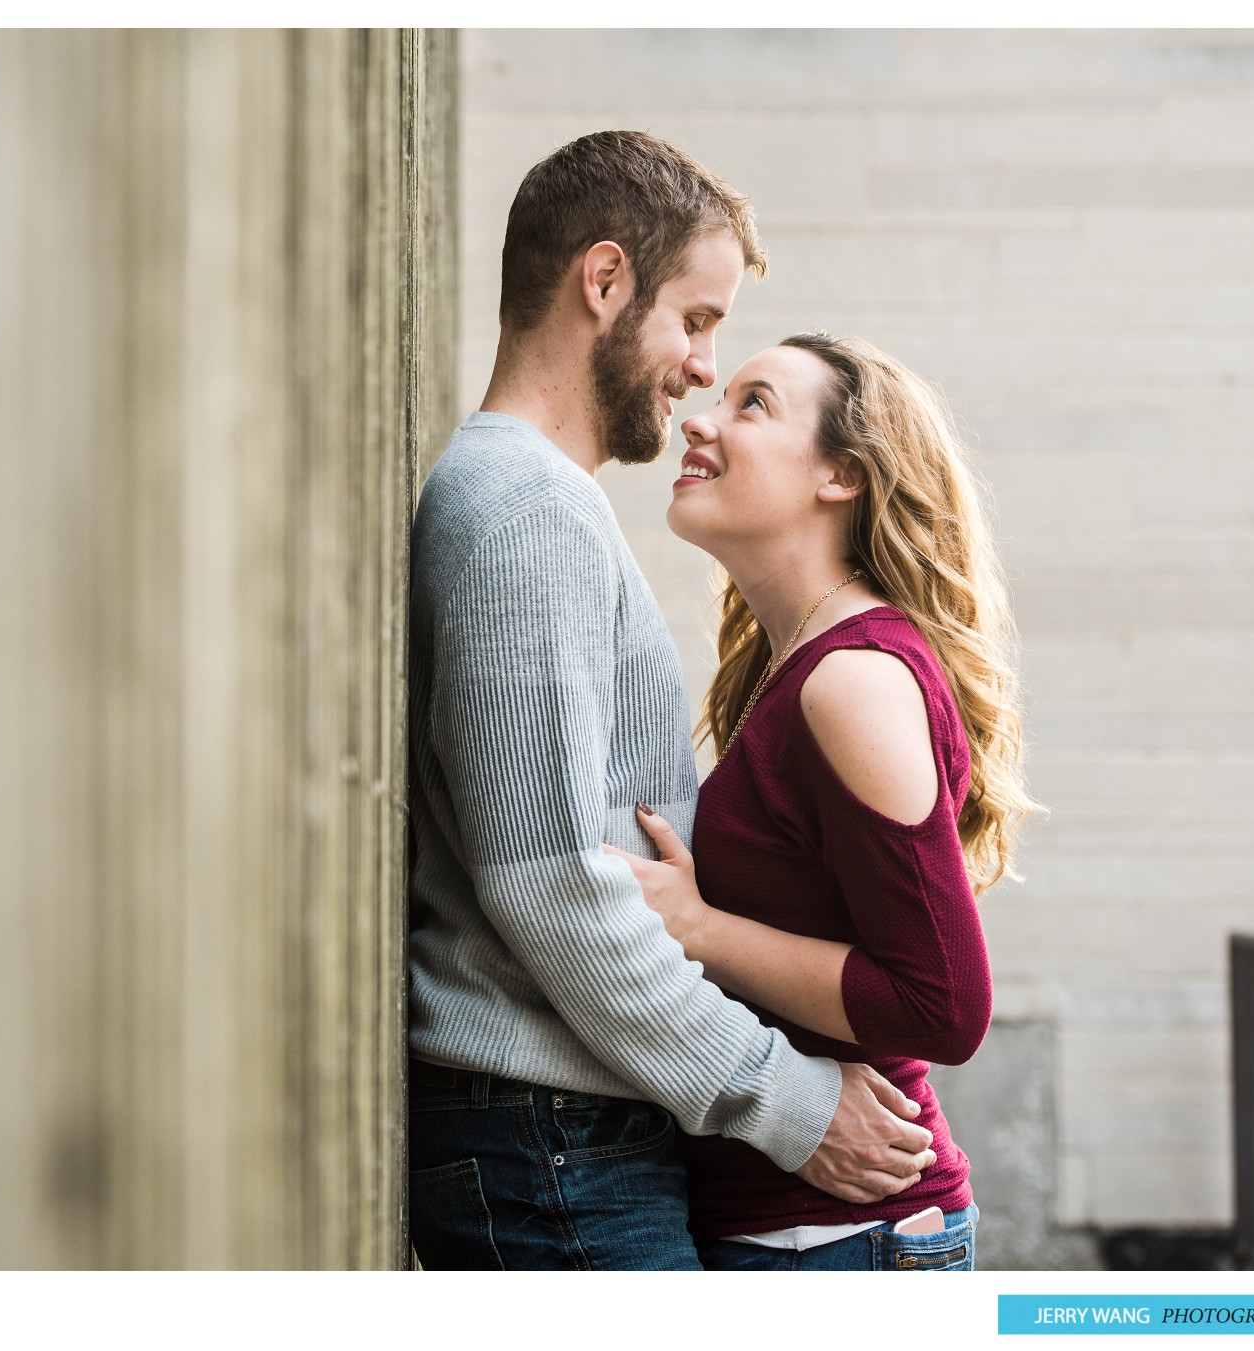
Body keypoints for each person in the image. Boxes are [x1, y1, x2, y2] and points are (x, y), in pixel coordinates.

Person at [406, 131, 937, 1271]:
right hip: (550, 1149)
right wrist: (785, 1101)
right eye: (696, 321)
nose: (703, 369)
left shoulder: (550, 504)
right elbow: (551, 884)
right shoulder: (523, 508)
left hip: (565, 1141)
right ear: (603, 282)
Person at [605, 331, 1038, 1271]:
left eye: (754, 403)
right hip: (803, 1230)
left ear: (840, 474)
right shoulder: (795, 665)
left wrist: (700, 927)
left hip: (837, 1240)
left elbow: (944, 1005)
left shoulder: (853, 679)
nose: (700, 416)